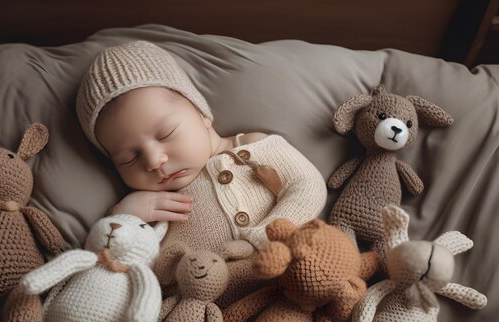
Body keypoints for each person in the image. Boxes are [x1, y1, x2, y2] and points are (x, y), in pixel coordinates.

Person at [76, 40, 327, 307]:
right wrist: (125, 217)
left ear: (201, 113)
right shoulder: (147, 208)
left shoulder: (251, 146)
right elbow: (116, 271)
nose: (153, 161)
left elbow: (307, 186)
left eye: (166, 134)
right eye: (129, 158)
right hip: (196, 314)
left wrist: (264, 237)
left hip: (286, 288)